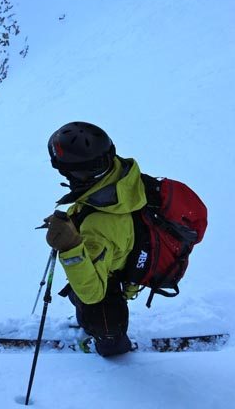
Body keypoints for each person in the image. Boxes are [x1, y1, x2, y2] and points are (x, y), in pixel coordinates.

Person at [44, 121, 146, 356]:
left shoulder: (97, 227)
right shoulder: (118, 179)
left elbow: (92, 293)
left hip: (108, 282)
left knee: (98, 315)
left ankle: (112, 345)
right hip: (120, 258)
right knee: (83, 298)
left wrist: (70, 245)